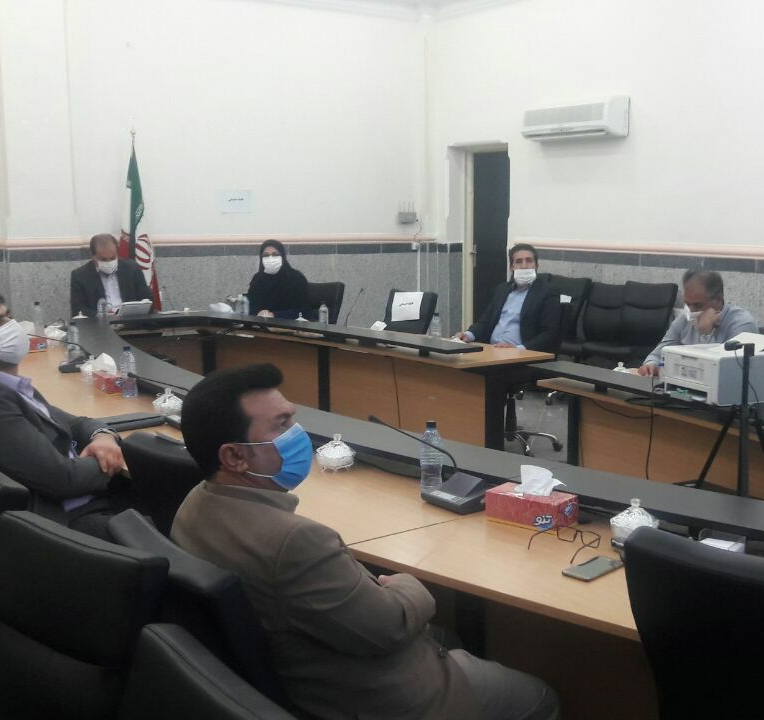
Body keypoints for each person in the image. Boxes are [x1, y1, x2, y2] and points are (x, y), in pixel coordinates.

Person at [172, 364, 558, 720]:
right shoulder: (297, 542)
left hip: (295, 672)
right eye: (281, 424)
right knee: (540, 696)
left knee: (447, 638)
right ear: (235, 457)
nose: (297, 433)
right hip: (372, 697)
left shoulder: (191, 507)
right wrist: (408, 585)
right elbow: (389, 626)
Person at [0, 289, 130, 538]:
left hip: (78, 498)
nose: (12, 326)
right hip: (61, 524)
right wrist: (111, 461)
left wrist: (104, 437)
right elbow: (63, 480)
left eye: (9, 317)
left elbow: (76, 423)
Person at [638, 270, 758, 376]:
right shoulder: (684, 319)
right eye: (687, 304)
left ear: (718, 300)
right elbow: (657, 354)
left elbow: (730, 372)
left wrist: (706, 335)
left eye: (698, 305)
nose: (691, 311)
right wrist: (651, 364)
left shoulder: (742, 324)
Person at [456, 243, 561, 352]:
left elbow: (549, 333)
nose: (524, 266)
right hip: (492, 349)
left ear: (536, 265)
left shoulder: (547, 291)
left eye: (529, 261)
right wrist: (468, 335)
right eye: (519, 261)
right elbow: (485, 321)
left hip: (521, 353)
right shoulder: (502, 289)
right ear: (512, 267)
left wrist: (519, 349)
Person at [69, 233, 152, 317]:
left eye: (112, 258)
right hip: (100, 323)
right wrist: (98, 315)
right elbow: (77, 309)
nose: (109, 262)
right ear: (93, 256)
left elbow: (147, 299)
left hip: (129, 320)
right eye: (103, 259)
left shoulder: (132, 269)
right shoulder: (80, 275)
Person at [246, 239, 309, 319]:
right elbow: (249, 306)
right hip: (261, 323)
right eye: (266, 255)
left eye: (275, 254)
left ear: (282, 256)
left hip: (288, 324)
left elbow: (302, 311)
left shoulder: (296, 278)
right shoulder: (258, 279)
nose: (270, 258)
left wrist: (274, 315)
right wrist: (259, 313)